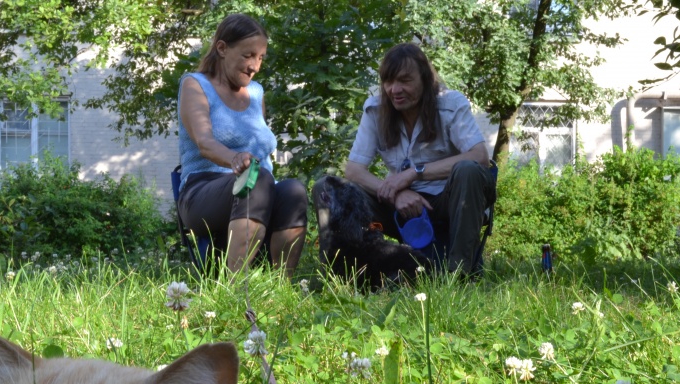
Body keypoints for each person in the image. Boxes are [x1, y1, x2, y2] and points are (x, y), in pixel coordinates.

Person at [336, 43, 496, 275]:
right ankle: (350, 275)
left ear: (425, 80)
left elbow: (480, 157)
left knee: (468, 170)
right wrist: (396, 192)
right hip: (397, 205)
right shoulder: (375, 110)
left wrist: (413, 173)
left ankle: (460, 275)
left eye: (404, 80)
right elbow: (353, 170)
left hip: (446, 200)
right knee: (330, 189)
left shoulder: (451, 104)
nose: (394, 89)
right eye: (388, 81)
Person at [177, 13, 307, 276]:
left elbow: (261, 148)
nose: (255, 66)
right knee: (255, 177)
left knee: (294, 190)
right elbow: (205, 143)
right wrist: (235, 158)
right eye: (248, 55)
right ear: (222, 48)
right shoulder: (195, 85)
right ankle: (235, 288)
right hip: (202, 190)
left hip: (257, 187)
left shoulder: (257, 92)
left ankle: (281, 288)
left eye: (260, 58)